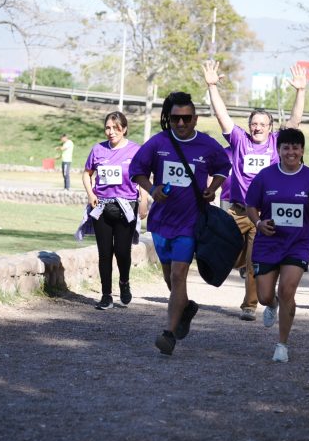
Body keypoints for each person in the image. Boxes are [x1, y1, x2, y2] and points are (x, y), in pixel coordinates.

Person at [202, 59, 307, 321]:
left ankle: (250, 305)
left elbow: (294, 122)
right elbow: (222, 117)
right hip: (237, 210)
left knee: (253, 261)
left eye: (262, 124)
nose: (257, 127)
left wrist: (300, 91)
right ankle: (238, 268)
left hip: (263, 213)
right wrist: (212, 87)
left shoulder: (276, 142)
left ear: (270, 128)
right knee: (224, 251)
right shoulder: (239, 140)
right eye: (254, 123)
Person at [129, 91, 231, 356]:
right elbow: (136, 170)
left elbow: (223, 167)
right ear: (169, 118)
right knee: (169, 278)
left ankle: (169, 335)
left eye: (187, 118)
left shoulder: (207, 145)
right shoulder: (158, 143)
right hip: (162, 222)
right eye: (176, 119)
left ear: (195, 118)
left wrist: (213, 188)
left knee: (178, 275)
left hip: (190, 222)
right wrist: (152, 190)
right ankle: (185, 309)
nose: (182, 124)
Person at [245, 128, 309, 363]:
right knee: (264, 296)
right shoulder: (265, 176)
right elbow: (250, 205)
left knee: (287, 290)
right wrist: (258, 222)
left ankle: (282, 344)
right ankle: (271, 305)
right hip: (268, 242)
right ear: (279, 150)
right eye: (286, 147)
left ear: (302, 150)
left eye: (295, 147)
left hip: (297, 244)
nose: (291, 152)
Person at [82, 112, 148, 310]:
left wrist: (144, 200)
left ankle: (124, 283)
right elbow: (87, 174)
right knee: (104, 253)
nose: (111, 132)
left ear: (124, 129)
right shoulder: (98, 149)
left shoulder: (136, 150)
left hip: (126, 206)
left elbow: (143, 177)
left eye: (115, 128)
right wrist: (90, 193)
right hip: (101, 206)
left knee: (122, 252)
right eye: (108, 128)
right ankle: (106, 295)